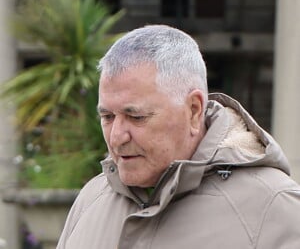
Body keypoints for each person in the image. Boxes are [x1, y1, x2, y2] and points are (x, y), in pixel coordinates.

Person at [57, 25, 300, 249]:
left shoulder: (274, 207)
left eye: (136, 117)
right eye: (107, 117)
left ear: (194, 110)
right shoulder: (91, 199)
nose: (117, 137)